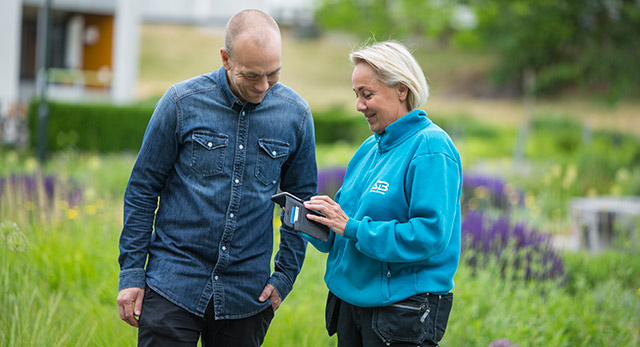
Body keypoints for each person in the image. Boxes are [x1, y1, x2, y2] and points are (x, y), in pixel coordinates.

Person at [116, 9, 318, 346]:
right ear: (226, 58)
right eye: (252, 76)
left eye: (273, 74)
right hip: (172, 284)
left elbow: (302, 202)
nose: (264, 86)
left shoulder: (296, 115)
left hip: (247, 297)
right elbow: (142, 189)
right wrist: (132, 273)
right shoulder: (181, 103)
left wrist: (284, 275)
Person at [303, 41, 462, 347]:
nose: (359, 105)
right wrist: (317, 224)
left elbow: (429, 235)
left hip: (399, 312)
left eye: (368, 94)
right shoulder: (368, 149)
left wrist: (352, 227)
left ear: (402, 90)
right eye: (357, 95)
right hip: (352, 305)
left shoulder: (430, 147)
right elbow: (349, 230)